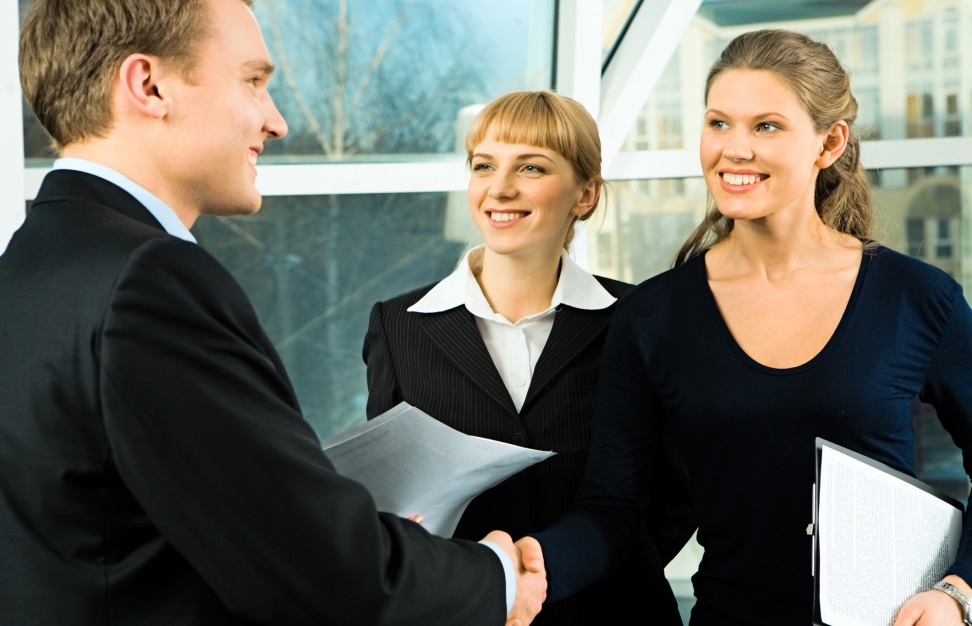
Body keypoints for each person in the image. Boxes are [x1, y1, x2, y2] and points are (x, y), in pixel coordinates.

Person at [1, 0, 547, 624]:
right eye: (253, 81)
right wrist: (498, 580)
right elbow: (321, 577)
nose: (277, 120)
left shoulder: (28, 266)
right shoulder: (148, 282)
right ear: (149, 86)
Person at [522, 28, 972, 626]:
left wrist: (957, 592)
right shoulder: (653, 318)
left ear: (829, 143)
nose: (734, 149)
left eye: (766, 126)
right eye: (718, 123)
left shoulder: (917, 298)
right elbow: (612, 511)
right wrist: (522, 567)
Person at [362, 90, 696, 625]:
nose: (500, 188)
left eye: (531, 167)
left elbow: (676, 495)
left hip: (613, 612)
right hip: (465, 613)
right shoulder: (399, 325)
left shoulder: (641, 318)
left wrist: (586, 576)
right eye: (484, 165)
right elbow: (400, 489)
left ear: (584, 194)